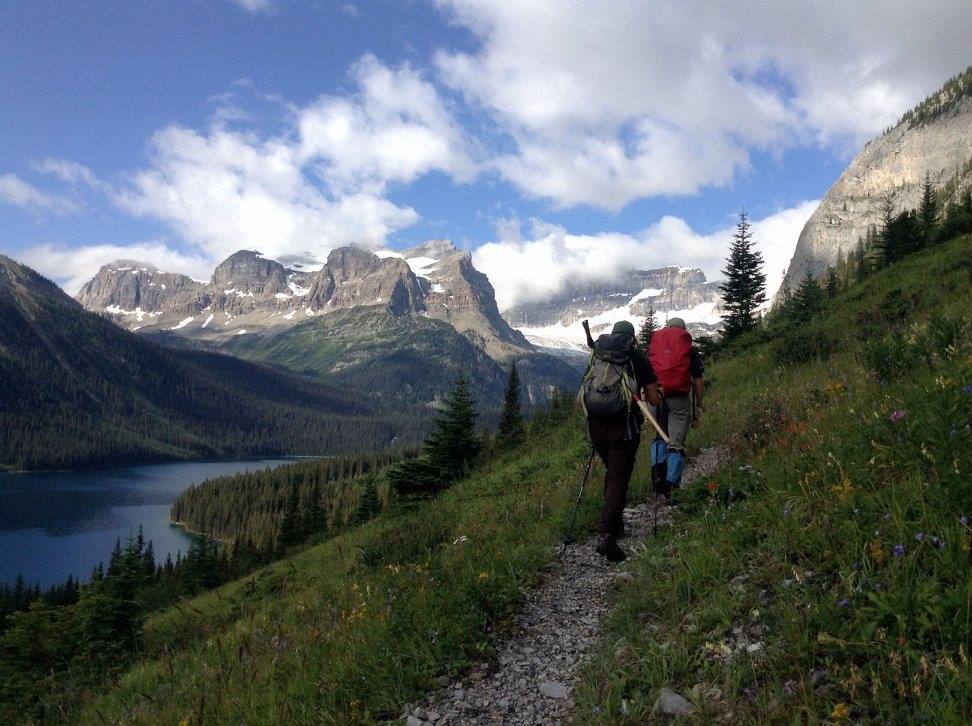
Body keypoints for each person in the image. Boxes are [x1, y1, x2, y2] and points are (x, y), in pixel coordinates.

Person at [579, 320, 661, 562]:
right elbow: (654, 400)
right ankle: (608, 536)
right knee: (618, 479)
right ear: (631, 338)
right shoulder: (636, 358)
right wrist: (656, 393)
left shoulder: (599, 354)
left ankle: (614, 524)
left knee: (611, 473)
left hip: (595, 426)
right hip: (623, 429)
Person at [647, 317, 704, 498]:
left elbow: (647, 376)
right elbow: (698, 382)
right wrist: (698, 405)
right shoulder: (689, 349)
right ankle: (672, 488)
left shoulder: (655, 346)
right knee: (676, 443)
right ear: (683, 330)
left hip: (656, 399)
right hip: (679, 400)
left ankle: (658, 481)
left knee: (659, 438)